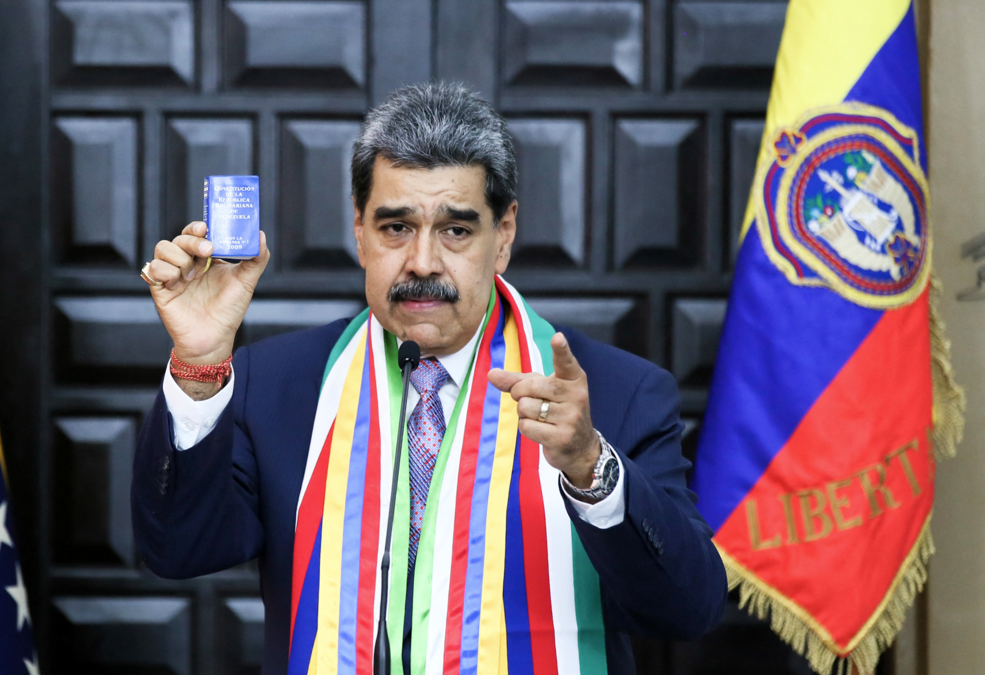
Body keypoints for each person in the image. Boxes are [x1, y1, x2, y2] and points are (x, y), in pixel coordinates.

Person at [133, 82, 727, 675]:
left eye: (456, 230)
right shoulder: (275, 384)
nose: (422, 262)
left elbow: (688, 611)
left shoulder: (619, 395)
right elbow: (179, 551)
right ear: (359, 229)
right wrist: (199, 363)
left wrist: (592, 470)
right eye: (396, 227)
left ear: (504, 235)